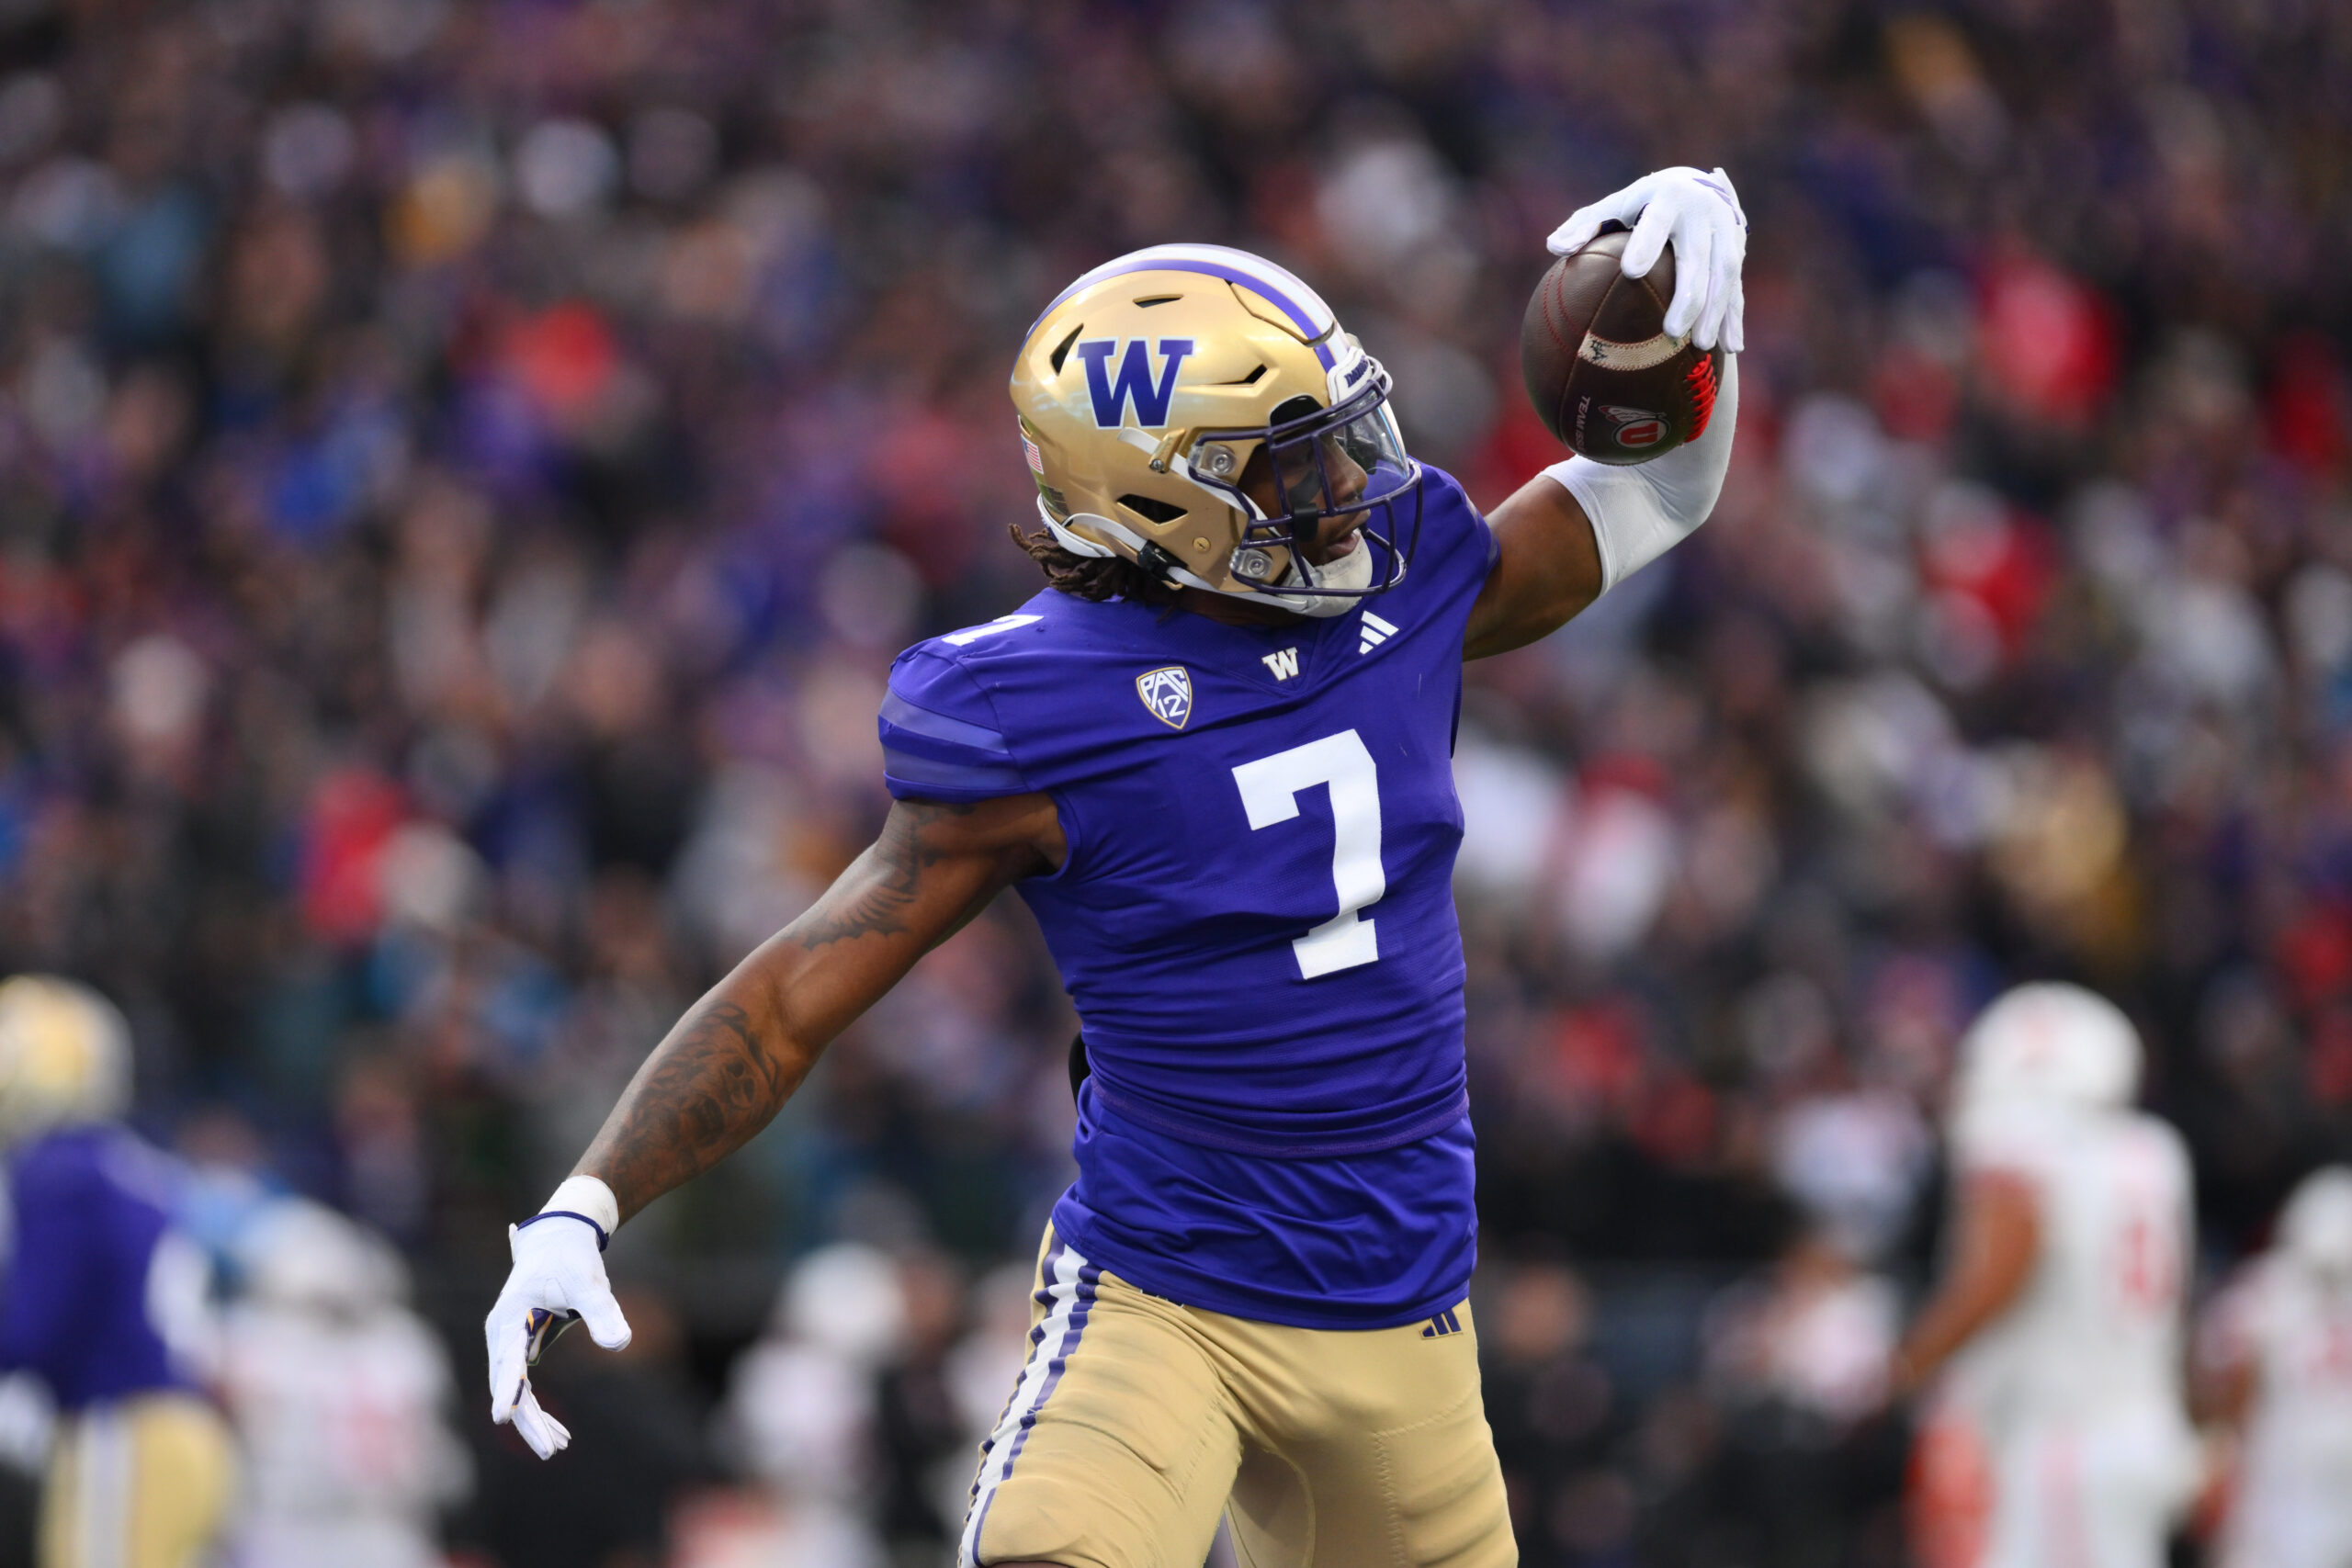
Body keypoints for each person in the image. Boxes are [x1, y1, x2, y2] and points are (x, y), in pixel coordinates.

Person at [485, 164, 1749, 1568]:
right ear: (1161, 499)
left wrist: (1706, 330)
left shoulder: (1403, 573)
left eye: (1343, 441)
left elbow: (1654, 499)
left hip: (1408, 1311)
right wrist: (588, 1196)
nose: (1349, 493)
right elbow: (796, 989)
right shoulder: (1037, 712)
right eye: (1294, 465)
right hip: (1168, 1296)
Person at [1892, 983, 2200, 1568]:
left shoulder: (2016, 1139)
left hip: (2067, 1438)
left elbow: (1998, 1273)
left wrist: (1907, 1365)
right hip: (2144, 1425)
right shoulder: (2155, 1151)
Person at [0, 976, 234, 1568]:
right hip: (189, 1433)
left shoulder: (56, 1170)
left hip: (121, 1431)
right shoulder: (130, 1162)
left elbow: (31, 1329)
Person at [218, 1198, 470, 1568]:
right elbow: (450, 1470)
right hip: (382, 1528)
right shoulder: (407, 1343)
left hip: (306, 1529)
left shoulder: (255, 1341)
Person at [2199, 1167, 2352, 1568]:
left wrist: (2221, 1448)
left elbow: (2224, 1378)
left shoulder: (2266, 1289)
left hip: (2284, 1465)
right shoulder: (2274, 1290)